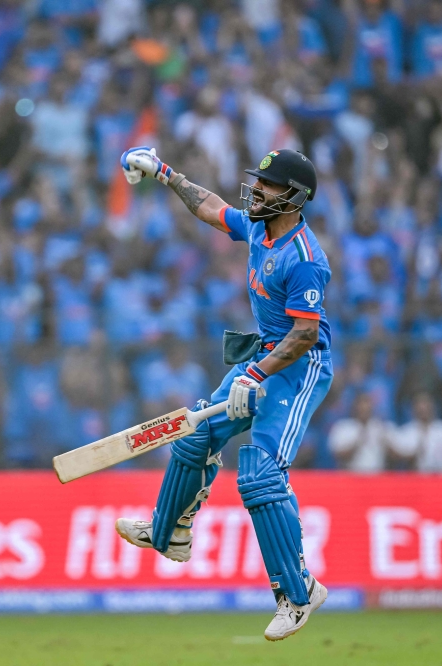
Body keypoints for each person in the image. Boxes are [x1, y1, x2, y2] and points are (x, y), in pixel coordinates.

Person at [114, 146, 333, 641]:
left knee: (260, 473)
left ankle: (299, 594)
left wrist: (254, 376)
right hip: (264, 358)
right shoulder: (257, 226)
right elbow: (212, 208)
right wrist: (165, 173)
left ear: (295, 197)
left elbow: (304, 336)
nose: (257, 189)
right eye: (259, 180)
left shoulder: (304, 259)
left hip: (299, 369)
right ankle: (170, 530)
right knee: (196, 434)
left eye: (268, 185)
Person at [387, 391, 442, 472]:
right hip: (417, 477)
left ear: (434, 405)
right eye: (419, 403)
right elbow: (395, 458)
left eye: (426, 403)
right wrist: (411, 457)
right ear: (413, 407)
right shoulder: (405, 432)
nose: (423, 407)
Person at [328, 391, 390, 472]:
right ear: (354, 407)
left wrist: (386, 443)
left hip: (377, 475)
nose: (364, 409)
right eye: (361, 406)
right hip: (351, 474)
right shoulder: (343, 427)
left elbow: (394, 456)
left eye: (367, 406)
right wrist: (358, 442)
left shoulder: (380, 427)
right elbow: (338, 455)